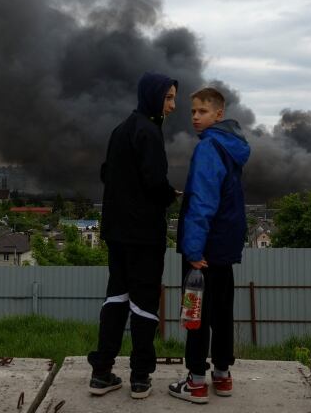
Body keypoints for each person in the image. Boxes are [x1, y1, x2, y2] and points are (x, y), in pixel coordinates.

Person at [87, 72, 179, 399]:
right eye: (168, 98)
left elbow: (105, 173)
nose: (172, 105)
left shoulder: (121, 129)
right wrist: (171, 195)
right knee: (144, 304)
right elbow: (155, 182)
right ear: (153, 96)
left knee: (116, 299)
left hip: (116, 232)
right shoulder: (149, 131)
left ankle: (101, 372)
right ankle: (140, 377)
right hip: (144, 236)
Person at [169, 87, 250, 404]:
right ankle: (222, 376)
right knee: (222, 314)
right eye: (192, 112)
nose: (195, 117)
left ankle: (196, 382)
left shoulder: (208, 149)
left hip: (203, 252)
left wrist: (193, 250)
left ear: (219, 114)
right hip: (225, 250)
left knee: (196, 314)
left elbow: (203, 204)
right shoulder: (233, 147)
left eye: (202, 111)